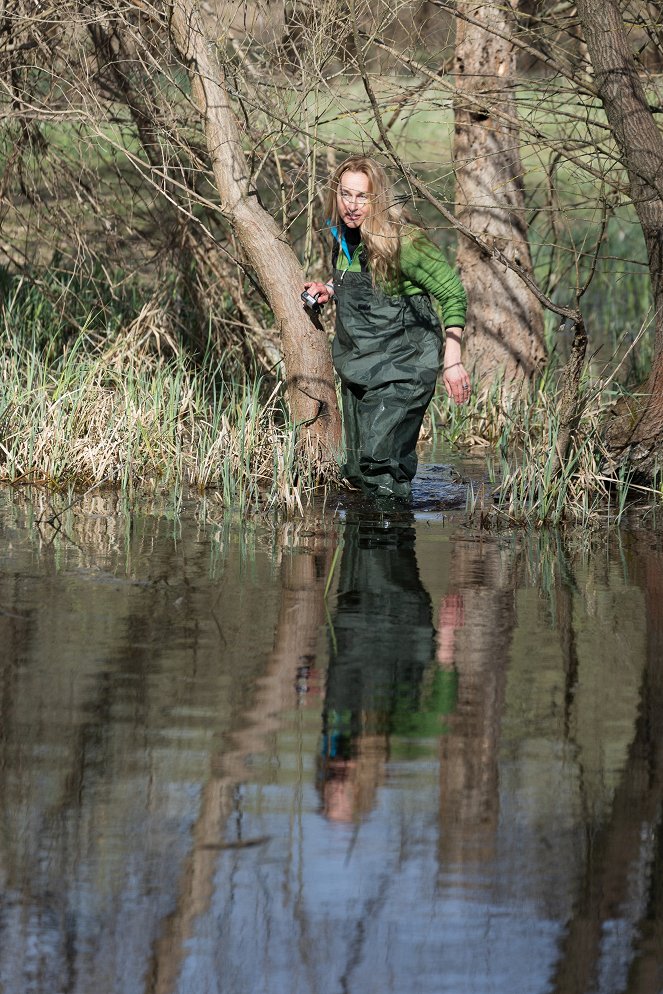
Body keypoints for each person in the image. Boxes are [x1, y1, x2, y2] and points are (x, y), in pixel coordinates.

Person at [303, 155, 470, 501]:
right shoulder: (342, 234)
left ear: (378, 198)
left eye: (362, 196)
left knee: (382, 467)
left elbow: (453, 294)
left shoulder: (405, 242)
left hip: (404, 367)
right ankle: (367, 545)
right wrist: (331, 290)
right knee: (357, 471)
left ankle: (389, 538)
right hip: (359, 367)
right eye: (345, 194)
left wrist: (452, 362)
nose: (352, 205)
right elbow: (370, 286)